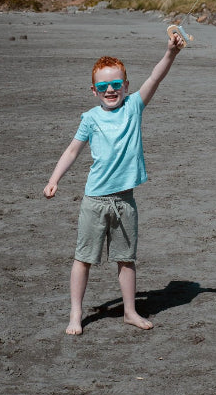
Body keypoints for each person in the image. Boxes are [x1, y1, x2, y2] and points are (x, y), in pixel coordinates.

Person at [43, 31, 184, 334]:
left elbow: (155, 79)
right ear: (94, 90)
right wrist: (54, 179)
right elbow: (72, 150)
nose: (110, 90)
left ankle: (130, 311)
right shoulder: (91, 118)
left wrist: (171, 53)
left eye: (116, 84)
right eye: (103, 86)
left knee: (126, 259)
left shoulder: (134, 107)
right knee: (83, 259)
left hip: (125, 201)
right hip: (95, 201)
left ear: (126, 86)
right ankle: (76, 314)